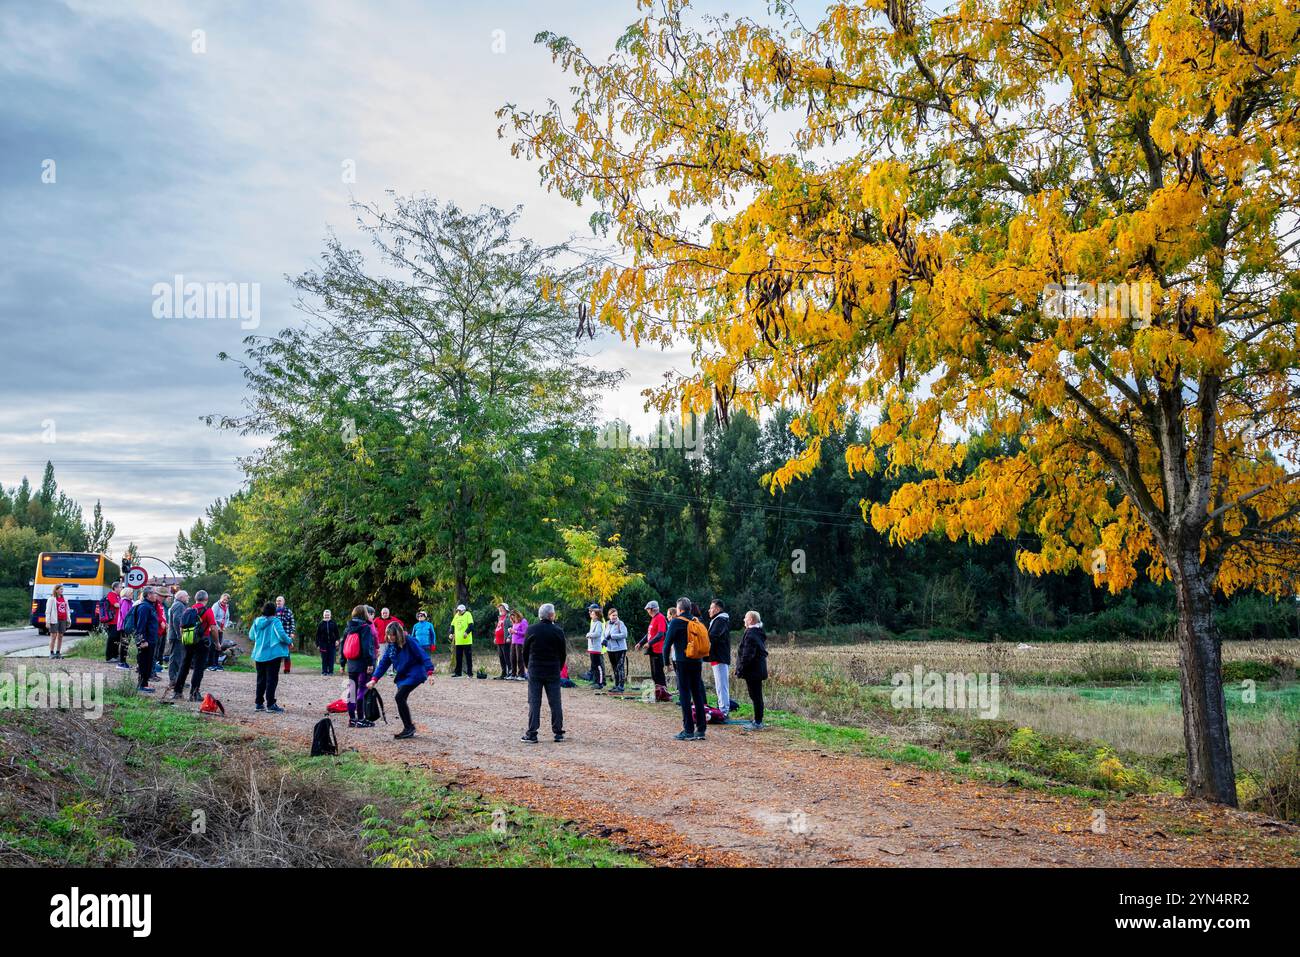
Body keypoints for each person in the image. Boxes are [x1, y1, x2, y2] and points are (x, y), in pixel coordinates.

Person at [368, 620, 433, 739]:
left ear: (398, 634)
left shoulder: (410, 641)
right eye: (388, 635)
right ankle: (408, 727)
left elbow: (422, 654)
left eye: (392, 635)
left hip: (415, 673)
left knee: (399, 697)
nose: (390, 637)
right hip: (403, 676)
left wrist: (430, 672)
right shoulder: (391, 647)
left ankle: (409, 728)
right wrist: (374, 679)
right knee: (401, 699)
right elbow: (383, 663)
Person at [663, 597, 708, 741]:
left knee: (684, 694)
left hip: (682, 661)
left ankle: (688, 729)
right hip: (697, 660)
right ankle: (701, 728)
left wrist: (666, 662)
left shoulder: (676, 622)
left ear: (679, 609)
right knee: (697, 693)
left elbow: (667, 644)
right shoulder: (696, 621)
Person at [521, 603, 566, 743]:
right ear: (551, 615)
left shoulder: (532, 629)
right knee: (555, 701)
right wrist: (558, 667)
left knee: (534, 701)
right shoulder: (558, 631)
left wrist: (528, 666)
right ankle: (558, 732)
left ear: (540, 615)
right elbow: (562, 653)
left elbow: (525, 651)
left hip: (535, 669)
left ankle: (532, 733)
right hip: (553, 669)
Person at [172, 590, 217, 701]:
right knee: (198, 668)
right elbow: (213, 628)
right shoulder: (208, 611)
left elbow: (181, 627)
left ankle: (177, 692)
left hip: (188, 641)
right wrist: (217, 643)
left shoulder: (188, 610)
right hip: (202, 642)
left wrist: (185, 639)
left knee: (184, 666)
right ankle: (194, 694)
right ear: (206, 600)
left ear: (196, 599)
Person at [249, 601, 291, 713]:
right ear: (274, 611)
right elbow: (282, 635)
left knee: (261, 679)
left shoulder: (257, 621)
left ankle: (259, 703)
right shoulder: (275, 621)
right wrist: (289, 641)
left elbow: (251, 636)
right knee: (271, 680)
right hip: (273, 654)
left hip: (259, 654)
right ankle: (271, 704)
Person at [343, 605, 377, 727]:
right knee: (361, 690)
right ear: (364, 614)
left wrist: (343, 662)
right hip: (362, 663)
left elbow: (343, 645)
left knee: (351, 690)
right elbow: (366, 647)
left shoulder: (348, 627)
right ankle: (361, 719)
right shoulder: (365, 627)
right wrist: (369, 663)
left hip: (351, 663)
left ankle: (352, 719)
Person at [735, 610, 769, 730]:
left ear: (751, 620)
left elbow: (747, 654)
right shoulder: (757, 632)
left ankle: (758, 722)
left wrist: (740, 669)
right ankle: (758, 719)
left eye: (745, 618)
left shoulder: (751, 634)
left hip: (753, 670)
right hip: (757, 670)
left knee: (755, 695)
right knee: (756, 695)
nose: (744, 620)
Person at [130, 588, 162, 693]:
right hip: (146, 641)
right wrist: (142, 640)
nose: (156, 595)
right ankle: (142, 685)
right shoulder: (144, 607)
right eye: (154, 593)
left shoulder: (149, 606)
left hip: (151, 639)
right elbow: (141, 625)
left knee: (148, 662)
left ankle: (144, 683)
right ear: (148, 595)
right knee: (144, 662)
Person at [636, 600, 669, 698]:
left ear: (652, 609)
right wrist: (640, 643)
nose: (647, 611)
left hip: (658, 650)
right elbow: (649, 634)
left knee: (658, 673)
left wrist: (649, 643)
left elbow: (660, 634)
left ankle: (663, 694)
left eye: (648, 609)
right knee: (654, 673)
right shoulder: (653, 619)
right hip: (652, 650)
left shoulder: (660, 618)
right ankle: (658, 692)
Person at [707, 598, 733, 712]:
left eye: (711, 608)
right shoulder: (717, 620)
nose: (709, 610)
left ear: (717, 609)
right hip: (716, 656)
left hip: (720, 657)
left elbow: (713, 636)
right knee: (719, 685)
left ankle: (724, 710)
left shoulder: (720, 620)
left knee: (722, 685)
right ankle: (722, 707)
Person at [166, 590, 190, 687]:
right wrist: (179, 634)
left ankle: (177, 680)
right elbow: (177, 620)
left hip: (176, 636)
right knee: (175, 658)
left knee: (178, 658)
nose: (188, 598)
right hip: (176, 637)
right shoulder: (179, 605)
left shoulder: (179, 605)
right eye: (187, 596)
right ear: (181, 597)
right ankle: (173, 681)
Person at [603, 607, 628, 693]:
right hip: (610, 649)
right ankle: (616, 685)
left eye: (616, 615)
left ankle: (621, 686)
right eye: (613, 615)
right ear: (609, 616)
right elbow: (605, 634)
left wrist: (612, 636)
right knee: (614, 667)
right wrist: (604, 640)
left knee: (619, 667)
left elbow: (625, 634)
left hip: (620, 648)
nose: (615, 617)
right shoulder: (606, 624)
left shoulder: (620, 623)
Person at [100, 582, 123, 664]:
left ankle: (115, 655)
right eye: (120, 587)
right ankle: (109, 657)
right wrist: (124, 604)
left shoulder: (118, 596)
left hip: (118, 621)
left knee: (117, 639)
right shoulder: (111, 594)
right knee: (112, 639)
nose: (121, 589)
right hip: (112, 621)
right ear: (115, 588)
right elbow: (116, 605)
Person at [45, 584, 70, 658]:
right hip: (54, 619)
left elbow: (67, 610)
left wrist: (69, 620)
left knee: (61, 636)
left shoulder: (65, 599)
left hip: (63, 619)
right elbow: (48, 611)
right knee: (53, 636)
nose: (61, 591)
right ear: (56, 590)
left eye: (62, 589)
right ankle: (51, 652)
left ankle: (58, 652)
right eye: (60, 589)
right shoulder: (51, 599)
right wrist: (47, 621)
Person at [584, 604, 606, 688]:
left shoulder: (599, 622)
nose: (589, 612)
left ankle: (601, 682)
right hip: (592, 647)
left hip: (598, 647)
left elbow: (598, 634)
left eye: (591, 611)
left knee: (599, 665)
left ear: (596, 614)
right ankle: (595, 681)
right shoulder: (593, 622)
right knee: (594, 665)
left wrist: (589, 634)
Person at [409, 609, 436, 676]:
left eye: (422, 616)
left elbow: (433, 635)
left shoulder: (429, 625)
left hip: (427, 645)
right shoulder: (415, 625)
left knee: (426, 658)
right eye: (419, 616)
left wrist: (433, 644)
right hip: (417, 645)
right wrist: (412, 644)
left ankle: (428, 671)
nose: (420, 617)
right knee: (417, 658)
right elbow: (413, 636)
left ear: (425, 617)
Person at [209, 594, 232, 671]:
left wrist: (225, 626)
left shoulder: (226, 607)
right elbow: (212, 617)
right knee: (213, 645)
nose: (224, 601)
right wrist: (218, 628)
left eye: (226, 600)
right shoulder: (216, 606)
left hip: (221, 629)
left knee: (219, 646)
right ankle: (211, 664)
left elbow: (227, 617)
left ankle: (216, 663)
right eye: (224, 599)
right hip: (214, 628)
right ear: (221, 598)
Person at [450, 603, 474, 677]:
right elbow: (452, 625)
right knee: (458, 657)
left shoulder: (468, 614)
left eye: (460, 610)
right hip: (458, 641)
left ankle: (470, 674)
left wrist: (466, 632)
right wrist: (451, 633)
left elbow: (471, 625)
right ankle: (458, 673)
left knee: (468, 658)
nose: (458, 612)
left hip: (467, 641)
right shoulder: (456, 615)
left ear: (464, 610)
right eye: (458, 610)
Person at [315, 609, 341, 675]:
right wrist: (318, 644)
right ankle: (324, 671)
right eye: (325, 615)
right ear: (323, 615)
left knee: (331, 658)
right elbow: (317, 635)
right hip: (323, 644)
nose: (327, 616)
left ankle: (331, 672)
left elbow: (337, 633)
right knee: (324, 658)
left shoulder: (333, 623)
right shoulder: (321, 624)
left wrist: (337, 640)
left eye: (328, 615)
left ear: (330, 615)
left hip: (332, 644)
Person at [275, 596, 296, 673]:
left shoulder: (288, 611)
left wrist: (292, 632)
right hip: (276, 636)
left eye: (280, 601)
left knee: (286, 653)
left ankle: (287, 669)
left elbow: (292, 623)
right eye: (277, 601)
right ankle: (275, 669)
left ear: (283, 602)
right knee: (276, 654)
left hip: (286, 635)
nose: (278, 602)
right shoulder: (273, 612)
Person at [115, 588, 135, 669]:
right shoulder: (125, 601)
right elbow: (125, 614)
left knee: (125, 644)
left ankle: (123, 662)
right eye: (131, 593)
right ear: (127, 594)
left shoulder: (127, 601)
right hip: (125, 626)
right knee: (124, 644)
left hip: (126, 625)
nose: (132, 595)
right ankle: (122, 663)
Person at [492, 603, 511, 679]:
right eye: (499, 608)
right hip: (499, 640)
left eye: (502, 608)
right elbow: (498, 628)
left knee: (507, 657)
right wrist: (495, 637)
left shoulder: (508, 617)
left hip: (505, 640)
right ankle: (503, 673)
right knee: (501, 657)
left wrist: (509, 637)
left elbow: (512, 627)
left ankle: (510, 673)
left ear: (506, 609)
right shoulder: (500, 617)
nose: (500, 609)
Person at [509, 609, 528, 680]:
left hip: (520, 643)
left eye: (513, 616)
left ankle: (521, 674)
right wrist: (511, 631)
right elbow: (514, 632)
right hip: (513, 642)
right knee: (512, 658)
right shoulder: (514, 622)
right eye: (511, 617)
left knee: (519, 659)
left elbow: (525, 633)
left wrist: (515, 631)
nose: (512, 618)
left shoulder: (523, 621)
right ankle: (513, 674)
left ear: (517, 615)